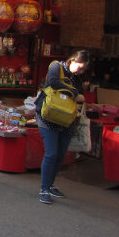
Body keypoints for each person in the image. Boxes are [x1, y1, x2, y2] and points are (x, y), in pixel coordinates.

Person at [35, 50, 89, 204]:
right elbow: (53, 82)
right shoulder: (56, 67)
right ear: (73, 60)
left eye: (84, 68)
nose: (81, 70)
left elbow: (80, 95)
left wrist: (80, 96)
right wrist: (74, 92)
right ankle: (44, 189)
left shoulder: (77, 78)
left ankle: (51, 185)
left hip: (66, 119)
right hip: (48, 116)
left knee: (60, 154)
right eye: (80, 66)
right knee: (51, 153)